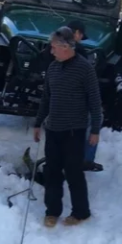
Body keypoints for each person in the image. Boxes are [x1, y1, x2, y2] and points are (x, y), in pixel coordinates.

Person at [33, 26, 102, 227]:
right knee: (52, 172)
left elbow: (95, 102)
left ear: (65, 47)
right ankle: (52, 211)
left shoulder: (84, 68)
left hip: (74, 131)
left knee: (73, 173)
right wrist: (38, 123)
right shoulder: (53, 68)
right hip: (53, 129)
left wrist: (95, 130)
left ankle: (81, 212)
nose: (51, 51)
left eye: (53, 47)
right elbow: (46, 98)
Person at [66, 19, 104, 172]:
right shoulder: (78, 51)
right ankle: (85, 160)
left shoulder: (53, 47)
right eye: (80, 35)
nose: (81, 38)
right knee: (93, 118)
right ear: (76, 33)